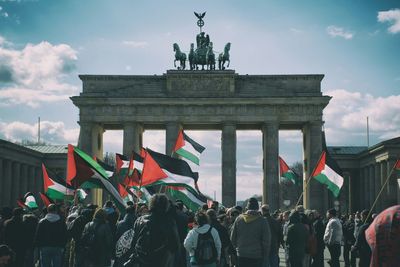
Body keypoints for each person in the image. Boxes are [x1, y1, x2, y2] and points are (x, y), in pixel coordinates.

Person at [126, 194, 180, 267]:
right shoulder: (169, 223)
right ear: (166, 206)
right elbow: (175, 246)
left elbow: (133, 243)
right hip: (160, 262)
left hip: (140, 261)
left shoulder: (139, 220)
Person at [231, 198, 271, 267]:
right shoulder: (262, 221)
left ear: (247, 208)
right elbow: (266, 241)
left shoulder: (239, 219)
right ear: (258, 208)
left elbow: (232, 238)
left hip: (241, 255)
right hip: (256, 256)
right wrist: (265, 256)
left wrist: (235, 252)